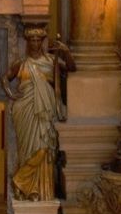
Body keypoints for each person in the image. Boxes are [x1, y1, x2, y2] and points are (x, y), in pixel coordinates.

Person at [4, 25, 73, 201]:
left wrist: (66, 52)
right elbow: (5, 78)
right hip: (25, 110)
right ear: (27, 42)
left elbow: (71, 68)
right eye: (31, 40)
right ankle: (31, 189)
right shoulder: (21, 63)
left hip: (45, 110)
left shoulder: (52, 61)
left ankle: (21, 180)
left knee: (43, 148)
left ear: (42, 42)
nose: (35, 43)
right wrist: (11, 94)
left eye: (38, 40)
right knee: (26, 150)